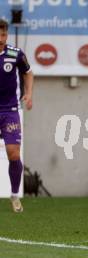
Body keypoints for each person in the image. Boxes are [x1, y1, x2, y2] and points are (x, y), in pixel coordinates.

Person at [0, 19, 33, 213]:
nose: (1, 38)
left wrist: (28, 94)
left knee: (13, 153)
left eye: (4, 34)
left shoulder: (15, 54)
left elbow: (28, 73)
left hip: (10, 111)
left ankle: (14, 195)